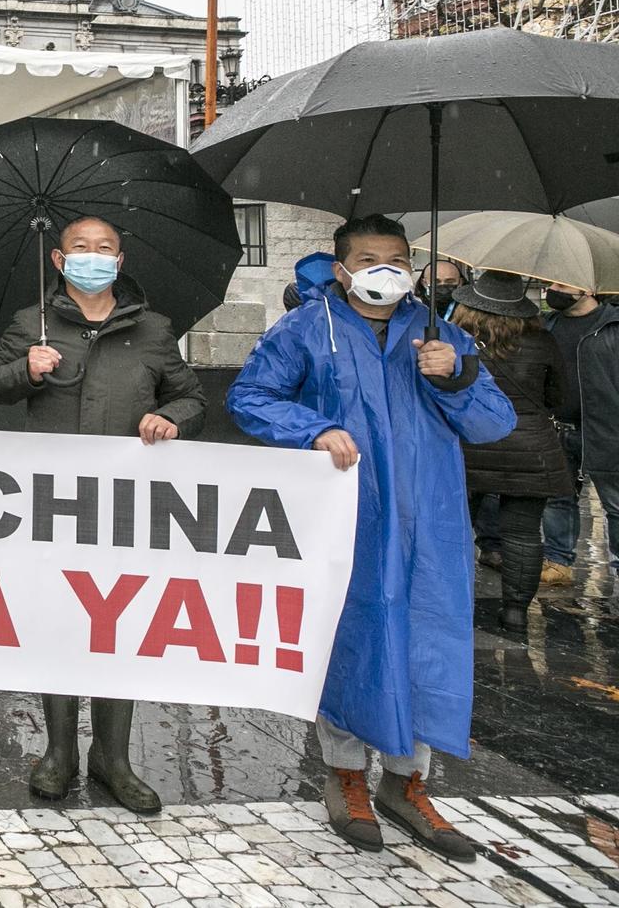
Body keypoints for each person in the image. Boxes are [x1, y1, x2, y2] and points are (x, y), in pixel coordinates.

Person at [229, 214, 513, 859]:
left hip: (430, 517)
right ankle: (347, 777)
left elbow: (495, 423)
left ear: (411, 267)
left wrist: (458, 377)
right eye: (368, 258)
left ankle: (408, 782)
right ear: (341, 268)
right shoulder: (307, 328)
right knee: (351, 639)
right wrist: (310, 429)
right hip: (347, 516)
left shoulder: (440, 336)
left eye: (396, 258)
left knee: (426, 643)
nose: (383, 269)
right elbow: (250, 398)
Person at [0, 215, 202, 815]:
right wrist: (27, 369)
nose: (93, 257)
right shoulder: (33, 323)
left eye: (105, 249)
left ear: (120, 262)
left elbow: (191, 395)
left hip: (127, 504)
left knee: (117, 624)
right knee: (60, 618)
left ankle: (113, 756)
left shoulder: (152, 329)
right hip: (54, 502)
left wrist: (171, 417)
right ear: (58, 260)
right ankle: (57, 751)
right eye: (82, 248)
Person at [446, 272, 571, 634]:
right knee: (523, 534)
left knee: (455, 530)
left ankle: (453, 605)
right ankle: (515, 611)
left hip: (468, 446)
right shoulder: (542, 341)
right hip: (529, 448)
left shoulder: (454, 339)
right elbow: (558, 397)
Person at [541, 281, 619, 602]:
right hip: (558, 426)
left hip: (606, 429)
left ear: (586, 287)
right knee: (557, 498)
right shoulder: (547, 325)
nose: (552, 289)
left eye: (561, 283)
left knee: (615, 505)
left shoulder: (611, 326)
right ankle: (558, 560)